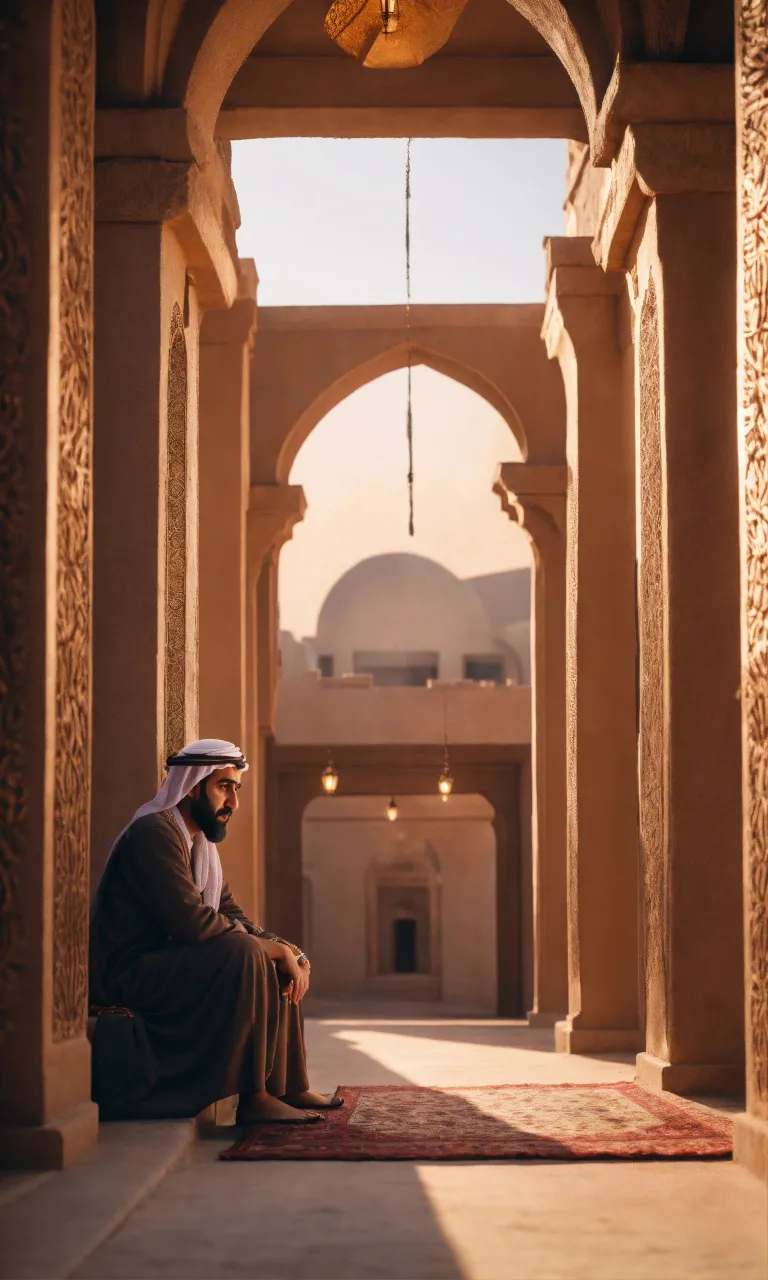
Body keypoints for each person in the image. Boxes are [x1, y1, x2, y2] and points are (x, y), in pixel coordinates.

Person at [90, 738, 340, 1124]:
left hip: (168, 964)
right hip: (130, 972)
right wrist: (266, 948)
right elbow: (190, 922)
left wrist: (290, 950)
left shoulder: (199, 845)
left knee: (268, 954)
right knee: (244, 953)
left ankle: (287, 1086)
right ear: (191, 786)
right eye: (224, 786)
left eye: (236, 789)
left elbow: (229, 912)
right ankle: (254, 1097)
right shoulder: (154, 833)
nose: (233, 802)